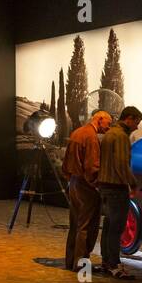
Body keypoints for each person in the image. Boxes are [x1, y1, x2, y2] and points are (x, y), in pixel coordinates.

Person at [61, 110, 111, 271]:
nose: (108, 128)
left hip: (74, 183)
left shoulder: (77, 133)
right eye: (108, 124)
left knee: (75, 224)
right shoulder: (91, 138)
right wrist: (98, 186)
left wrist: (71, 178)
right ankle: (81, 265)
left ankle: (71, 261)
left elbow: (65, 163)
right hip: (86, 186)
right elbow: (92, 168)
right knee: (86, 226)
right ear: (100, 119)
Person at [97, 106, 142, 279]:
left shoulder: (109, 134)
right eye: (137, 122)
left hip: (105, 186)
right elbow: (122, 165)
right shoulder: (121, 137)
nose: (137, 127)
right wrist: (133, 183)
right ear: (129, 118)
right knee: (116, 228)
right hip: (116, 187)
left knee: (109, 226)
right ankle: (115, 265)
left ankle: (106, 261)